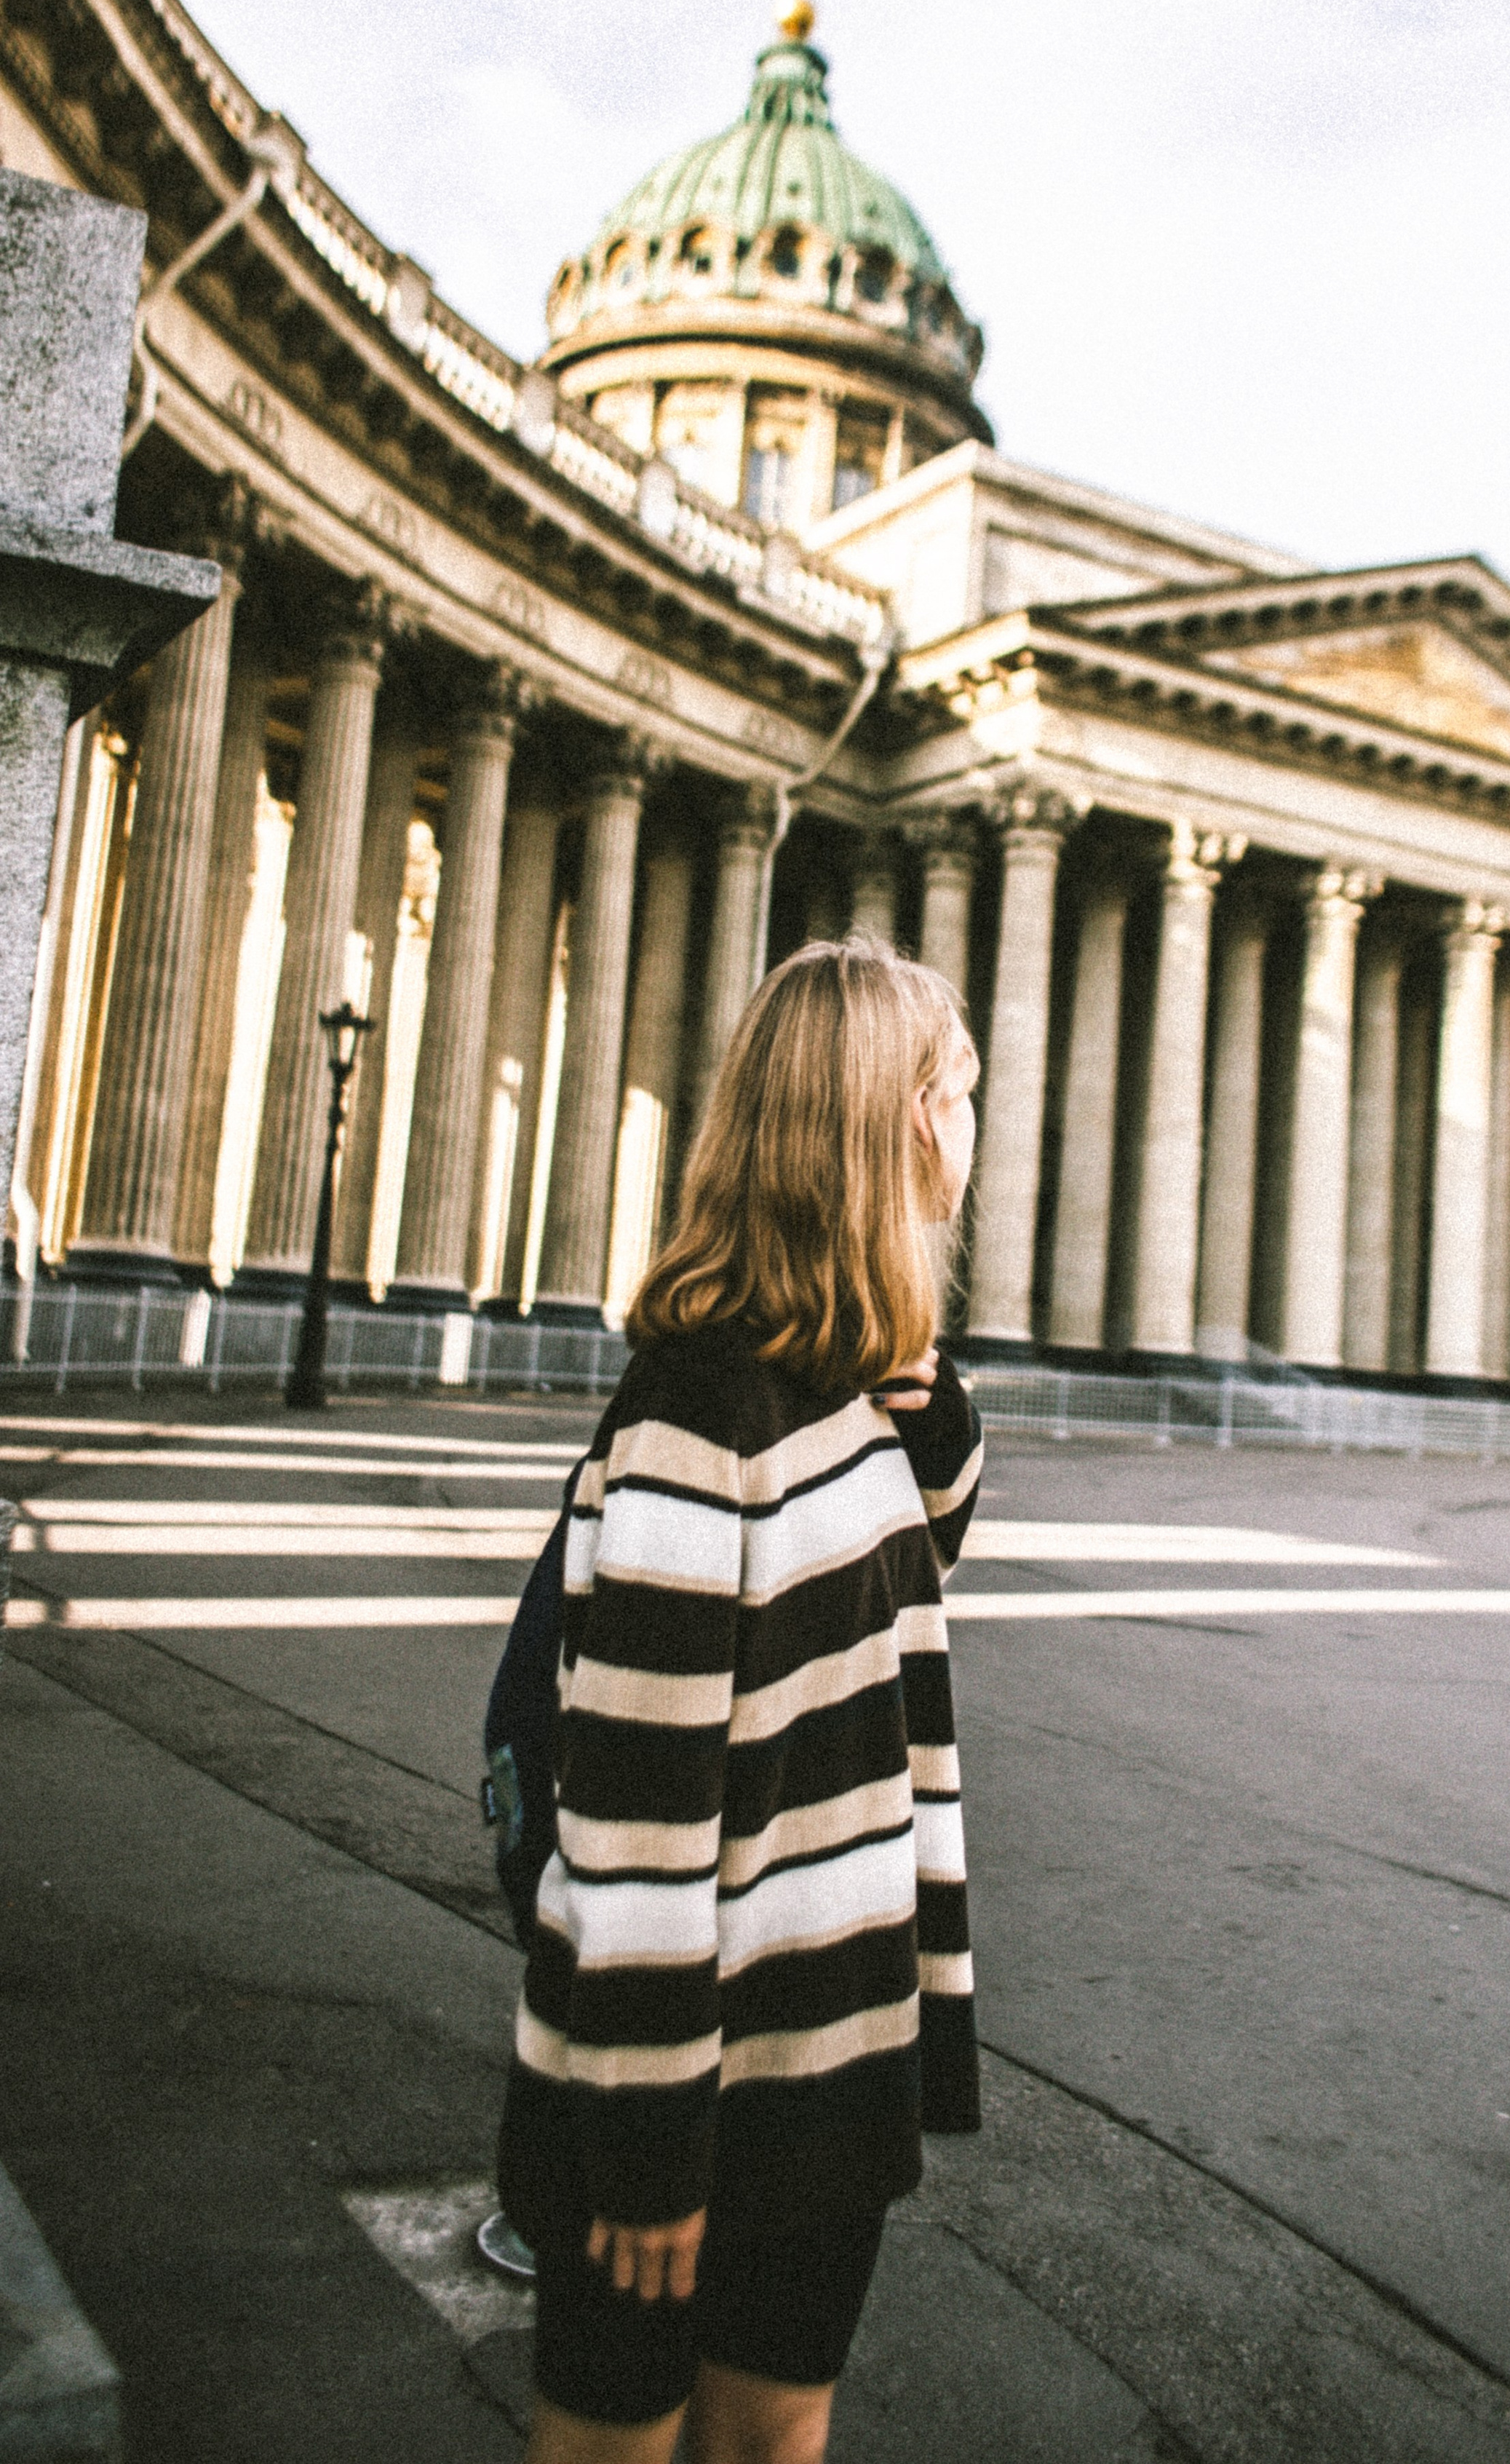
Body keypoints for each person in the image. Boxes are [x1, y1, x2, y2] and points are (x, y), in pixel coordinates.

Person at [498, 935, 985, 2464]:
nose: (975, 1126)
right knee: (615, 2442)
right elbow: (634, 1818)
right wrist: (646, 2149)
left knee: (777, 2433)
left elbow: (903, 1572)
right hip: (670, 2087)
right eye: (961, 1091)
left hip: (827, 2067)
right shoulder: (701, 1416)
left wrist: (932, 1403)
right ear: (902, 1121)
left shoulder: (851, 1386)